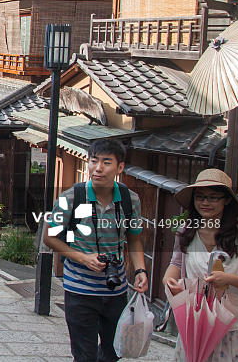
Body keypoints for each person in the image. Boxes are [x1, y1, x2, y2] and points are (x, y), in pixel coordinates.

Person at [43, 139, 147, 362]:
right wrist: (83, 258)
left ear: (120, 167)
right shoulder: (71, 197)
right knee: (84, 354)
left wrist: (140, 271)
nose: (98, 168)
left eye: (106, 162)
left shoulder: (130, 200)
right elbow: (49, 237)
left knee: (113, 353)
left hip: (116, 289)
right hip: (79, 289)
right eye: (93, 161)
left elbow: (135, 240)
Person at [163, 168, 238, 362]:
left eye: (214, 197)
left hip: (232, 323)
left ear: (227, 200)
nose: (205, 203)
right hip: (195, 320)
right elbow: (176, 264)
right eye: (200, 197)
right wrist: (169, 281)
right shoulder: (186, 231)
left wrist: (228, 279)